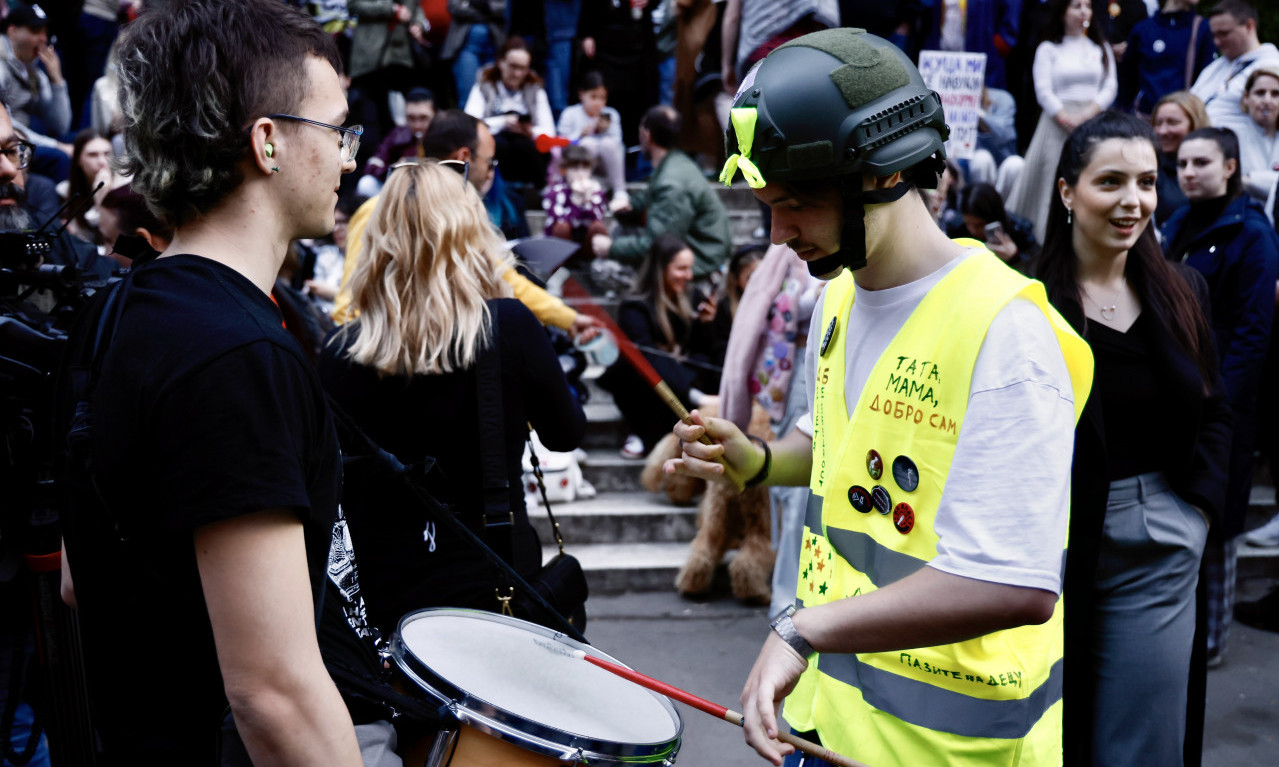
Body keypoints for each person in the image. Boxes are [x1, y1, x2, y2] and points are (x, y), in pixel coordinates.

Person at [667, 28, 1092, 766]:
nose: (775, 232)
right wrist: (760, 461)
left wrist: (803, 629)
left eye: (793, 201)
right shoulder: (837, 293)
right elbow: (837, 449)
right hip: (825, 721)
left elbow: (1012, 583)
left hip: (950, 750)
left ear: (883, 175)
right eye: (767, 203)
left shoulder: (1007, 334)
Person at [58, 2, 399, 763]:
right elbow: (273, 694)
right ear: (268, 141)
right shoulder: (237, 356)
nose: (349, 159)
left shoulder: (115, 310)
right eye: (338, 130)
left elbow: (82, 581)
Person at [1033, 110, 1229, 767]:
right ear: (1066, 190)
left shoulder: (1183, 291)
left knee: (1137, 745)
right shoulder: (1025, 305)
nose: (1133, 201)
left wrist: (1194, 512)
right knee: (1048, 736)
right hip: (1047, 549)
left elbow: (1216, 409)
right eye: (1109, 182)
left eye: (1146, 182)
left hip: (1157, 540)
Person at [319, 160, 585, 631]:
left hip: (390, 582)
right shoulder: (509, 326)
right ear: (468, 236)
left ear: (380, 242)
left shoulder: (340, 351)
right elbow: (565, 435)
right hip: (498, 573)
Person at [1164, 126, 1279, 670]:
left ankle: (1210, 643)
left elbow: (1254, 333)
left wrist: (1221, 407)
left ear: (1230, 166)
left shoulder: (1252, 233)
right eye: (1183, 162)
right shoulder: (1180, 221)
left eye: (1201, 162)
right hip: (1179, 393)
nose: (1188, 171)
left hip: (1223, 404)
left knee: (1222, 522)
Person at [334, 109, 601, 341]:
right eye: (490, 161)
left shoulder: (462, 216)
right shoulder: (379, 212)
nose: (490, 171)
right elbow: (348, 310)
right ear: (465, 156)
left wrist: (566, 318)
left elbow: (501, 278)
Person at [600, 233, 722, 459]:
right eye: (681, 269)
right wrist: (696, 396)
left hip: (681, 378)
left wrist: (707, 325)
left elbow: (704, 351)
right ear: (661, 269)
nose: (689, 275)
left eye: (690, 268)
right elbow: (647, 359)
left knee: (706, 362)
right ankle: (643, 432)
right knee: (644, 369)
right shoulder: (634, 307)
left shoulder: (692, 296)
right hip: (645, 385)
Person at [1006, 0, 1117, 242]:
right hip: (1056, 124)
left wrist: (1088, 114)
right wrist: (1064, 117)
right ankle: (1045, 238)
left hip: (1092, 125)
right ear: (1063, 12)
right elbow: (1043, 89)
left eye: (1087, 5)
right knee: (1051, 182)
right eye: (1076, 6)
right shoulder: (1048, 49)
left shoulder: (1100, 48)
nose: (1083, 11)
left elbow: (1109, 86)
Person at [594, 105, 731, 278]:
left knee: (603, 271)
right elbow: (652, 197)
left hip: (702, 261)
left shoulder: (671, 183)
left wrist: (611, 248)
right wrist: (631, 205)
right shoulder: (676, 162)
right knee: (621, 231)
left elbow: (659, 243)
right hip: (697, 249)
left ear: (647, 135)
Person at [463, 36, 556, 193]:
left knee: (522, 144)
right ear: (501, 62)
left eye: (523, 68)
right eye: (513, 66)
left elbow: (550, 132)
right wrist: (503, 122)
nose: (518, 73)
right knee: (500, 143)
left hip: (527, 155)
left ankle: (539, 192)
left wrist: (528, 131)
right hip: (495, 151)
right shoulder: (484, 84)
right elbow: (469, 124)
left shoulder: (535, 88)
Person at [0, 4, 72, 177]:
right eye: (35, 31)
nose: (42, 39)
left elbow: (60, 126)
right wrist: (55, 145)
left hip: (25, 139)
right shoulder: (1, 67)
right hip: (7, 143)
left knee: (81, 143)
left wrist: (57, 80)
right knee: (60, 156)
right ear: (12, 32)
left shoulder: (35, 72)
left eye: (44, 32)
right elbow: (5, 124)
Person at [1190, 0, 1279, 136]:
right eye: (1214, 35)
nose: (1217, 42)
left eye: (1224, 33)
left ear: (1249, 26)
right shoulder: (1214, 68)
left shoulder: (1272, 65)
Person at [1118, 0, 1217, 117]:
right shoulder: (1143, 30)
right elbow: (1127, 80)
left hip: (1185, 118)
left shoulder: (1203, 29)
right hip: (1145, 118)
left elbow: (1207, 79)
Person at [555, 70, 628, 210]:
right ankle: (581, 189)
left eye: (602, 98)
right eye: (593, 97)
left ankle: (620, 191)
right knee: (588, 144)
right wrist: (579, 136)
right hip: (578, 170)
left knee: (608, 144)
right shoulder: (569, 113)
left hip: (606, 170)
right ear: (581, 94)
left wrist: (605, 131)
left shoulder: (611, 114)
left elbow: (617, 145)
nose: (598, 103)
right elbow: (560, 145)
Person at [358, 86, 435, 196]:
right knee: (366, 184)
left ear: (434, 115)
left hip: (433, 190)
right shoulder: (398, 134)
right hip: (401, 190)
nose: (417, 125)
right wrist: (394, 168)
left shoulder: (442, 134)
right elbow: (371, 166)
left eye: (423, 118)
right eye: (411, 118)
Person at [1151, 90, 1211, 225]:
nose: (1163, 131)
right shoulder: (1149, 167)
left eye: (1172, 123)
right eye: (1158, 123)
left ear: (1194, 124)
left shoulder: (1215, 166)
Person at [948, 182, 1040, 268]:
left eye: (979, 225)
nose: (972, 230)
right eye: (967, 223)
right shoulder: (957, 229)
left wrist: (1015, 257)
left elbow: (1037, 266)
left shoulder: (1019, 230)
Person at [541, 143, 609, 254]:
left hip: (587, 245)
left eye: (585, 168)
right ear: (564, 169)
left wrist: (587, 199)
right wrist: (575, 202)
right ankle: (560, 267)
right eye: (575, 169)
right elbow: (557, 224)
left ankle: (594, 264)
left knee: (597, 227)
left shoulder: (597, 191)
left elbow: (598, 219)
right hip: (561, 248)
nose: (581, 174)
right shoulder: (554, 193)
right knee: (561, 228)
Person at [57, 128, 113, 244]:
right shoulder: (65, 191)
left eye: (107, 154)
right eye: (93, 155)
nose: (102, 161)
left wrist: (102, 198)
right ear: (78, 159)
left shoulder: (126, 188)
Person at [1235, 67, 1279, 202]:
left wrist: (1249, 180)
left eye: (1275, 94)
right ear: (1246, 98)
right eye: (1260, 93)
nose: (1267, 100)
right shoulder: (1232, 138)